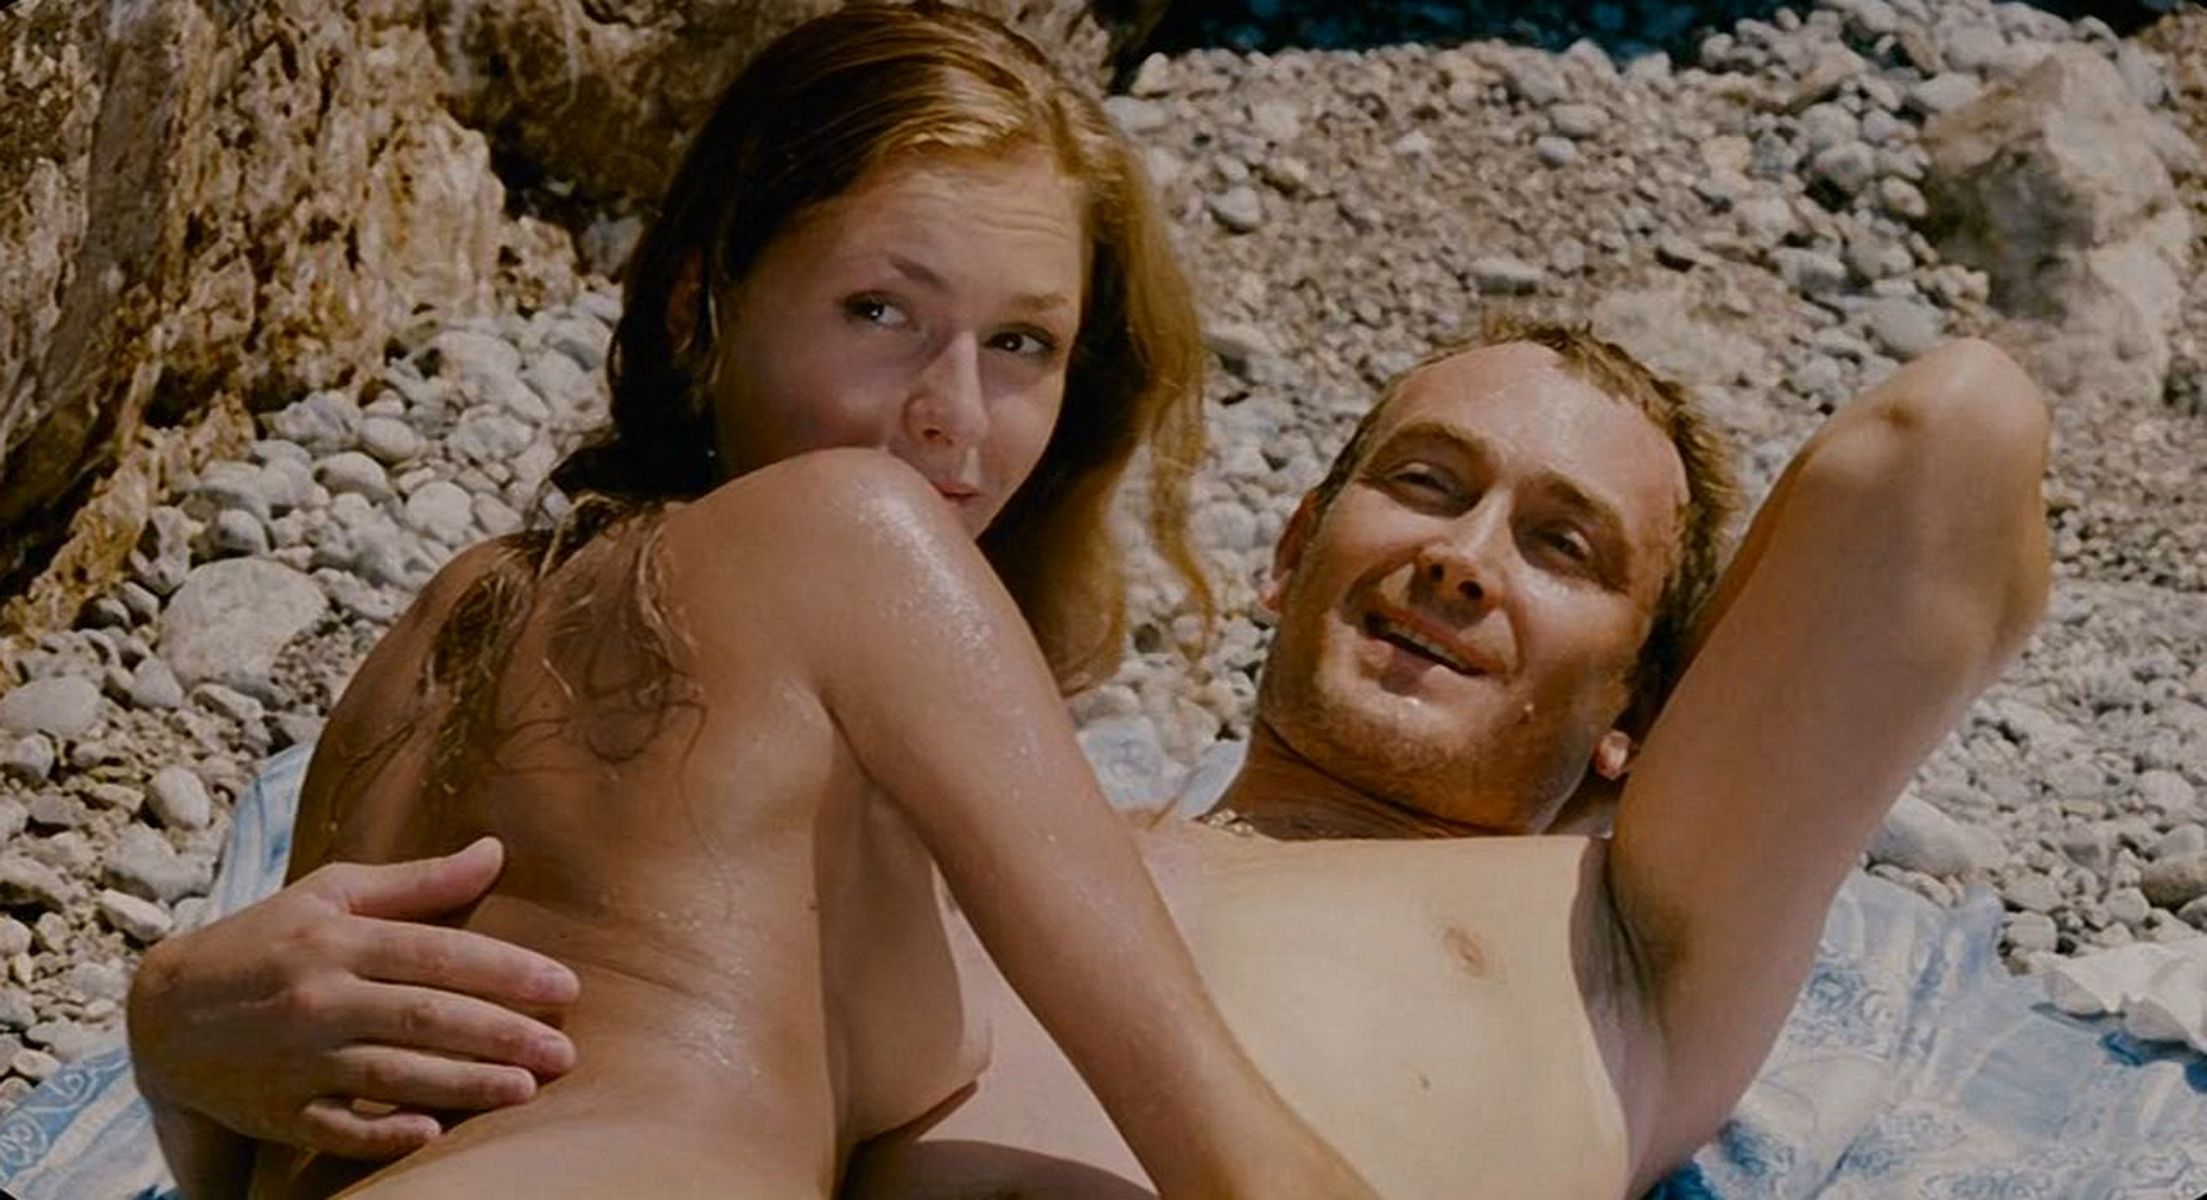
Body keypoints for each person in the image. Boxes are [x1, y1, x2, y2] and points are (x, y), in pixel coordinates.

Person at [131, 313, 2053, 1196]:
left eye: (1560, 548)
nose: (1463, 560)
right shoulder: (972, 807)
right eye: (1423, 484)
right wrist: (178, 1045)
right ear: (1293, 550)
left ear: (1644, 711)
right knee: (579, 601)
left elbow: (1951, 444)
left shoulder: (1628, 925)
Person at [126, 4, 1378, 1199]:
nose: (953, 412)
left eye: (1020, 343)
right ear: (700, 306)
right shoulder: (858, 529)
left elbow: (273, 1141)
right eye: (879, 311)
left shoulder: (444, 624)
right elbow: (1246, 1169)